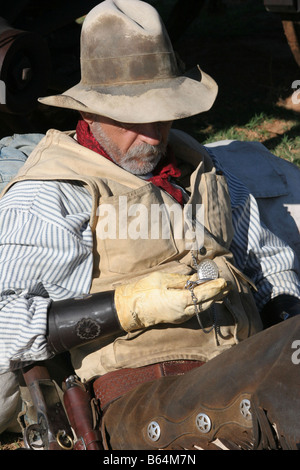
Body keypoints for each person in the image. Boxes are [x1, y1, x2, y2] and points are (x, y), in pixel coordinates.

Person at [0, 0, 300, 450]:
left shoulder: (204, 167)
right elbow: (5, 322)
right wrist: (126, 308)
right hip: (145, 404)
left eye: (164, 114)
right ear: (91, 111)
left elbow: (269, 264)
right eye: (134, 120)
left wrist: (287, 330)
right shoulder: (55, 191)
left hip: (245, 371)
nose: (153, 135)